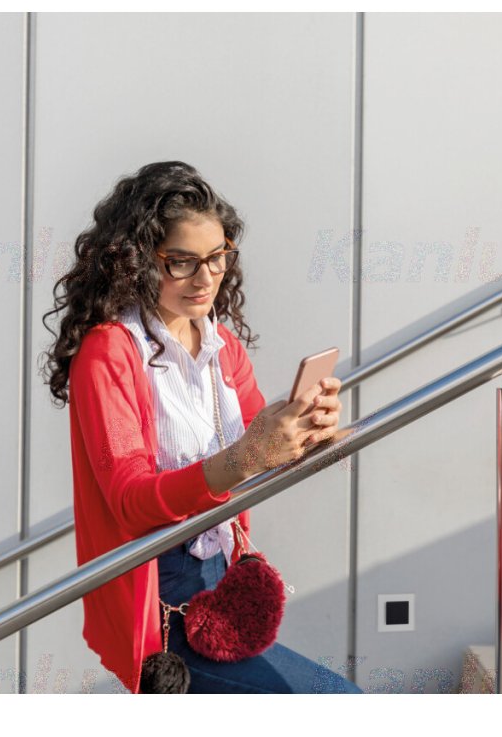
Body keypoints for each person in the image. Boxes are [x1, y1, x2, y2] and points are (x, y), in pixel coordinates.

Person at [41, 161, 362, 694]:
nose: (207, 277)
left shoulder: (220, 343)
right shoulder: (109, 352)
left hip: (221, 583)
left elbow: (259, 440)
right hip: (160, 596)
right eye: (182, 262)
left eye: (217, 257)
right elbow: (130, 500)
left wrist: (307, 427)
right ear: (136, 261)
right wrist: (249, 456)